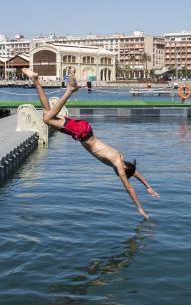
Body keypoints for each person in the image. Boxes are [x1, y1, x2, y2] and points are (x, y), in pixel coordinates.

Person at [21, 68, 159, 220]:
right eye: (123, 174)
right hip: (82, 133)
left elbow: (135, 173)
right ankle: (70, 90)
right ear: (124, 168)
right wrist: (140, 208)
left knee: (47, 114)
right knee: (47, 119)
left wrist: (148, 186)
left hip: (83, 132)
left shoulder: (120, 157)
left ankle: (35, 80)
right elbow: (129, 188)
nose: (119, 175)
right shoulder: (119, 165)